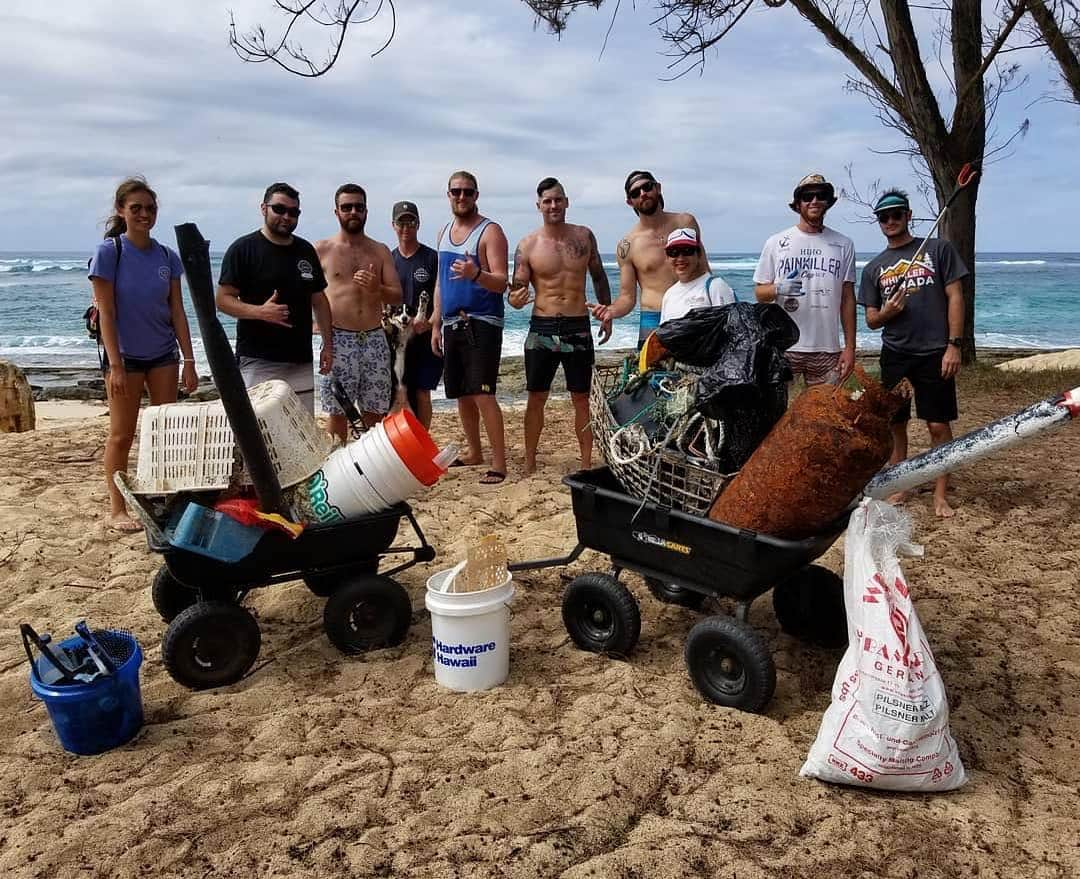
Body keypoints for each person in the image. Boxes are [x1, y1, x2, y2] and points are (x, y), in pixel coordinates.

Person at [89, 177, 198, 532]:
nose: (144, 215)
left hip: (163, 354)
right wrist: (116, 364)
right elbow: (105, 312)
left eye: (150, 209)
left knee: (165, 431)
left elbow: (178, 311)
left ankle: (164, 499)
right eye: (136, 208)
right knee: (122, 434)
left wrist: (190, 360)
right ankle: (117, 508)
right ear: (121, 210)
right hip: (125, 358)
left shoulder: (167, 256)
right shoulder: (110, 252)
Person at [859, 188, 968, 518]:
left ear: (908, 216)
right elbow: (872, 321)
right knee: (896, 424)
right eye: (883, 217)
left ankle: (940, 494)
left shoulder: (938, 250)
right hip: (896, 354)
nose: (890, 221)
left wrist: (954, 345)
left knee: (937, 425)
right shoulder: (874, 268)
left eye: (896, 214)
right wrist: (889, 312)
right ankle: (901, 484)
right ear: (879, 223)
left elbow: (955, 297)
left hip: (935, 352)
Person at [508, 177, 613, 474]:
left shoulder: (583, 237)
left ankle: (586, 461)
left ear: (566, 202)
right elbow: (516, 290)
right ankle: (529, 459)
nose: (553, 205)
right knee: (536, 396)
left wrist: (607, 312)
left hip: (577, 326)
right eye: (547, 201)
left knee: (581, 398)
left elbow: (599, 275)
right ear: (538, 205)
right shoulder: (528, 244)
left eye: (558, 199)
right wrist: (515, 300)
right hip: (541, 327)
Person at [216, 182, 333, 414]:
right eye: (279, 209)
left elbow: (319, 300)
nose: (286, 216)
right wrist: (259, 312)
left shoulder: (305, 250)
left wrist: (328, 346)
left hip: (300, 359)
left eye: (293, 212)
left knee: (300, 430)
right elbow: (222, 299)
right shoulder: (243, 249)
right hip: (257, 359)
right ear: (264, 208)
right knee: (259, 430)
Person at [431, 171, 510, 484]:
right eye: (455, 192)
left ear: (476, 195)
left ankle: (499, 463)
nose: (461, 197)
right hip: (452, 323)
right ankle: (475, 452)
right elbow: (440, 283)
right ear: (448, 194)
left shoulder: (491, 232)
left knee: (482, 393)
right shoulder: (444, 232)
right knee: (462, 394)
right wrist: (436, 322)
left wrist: (476, 274)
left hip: (482, 321)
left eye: (467, 192)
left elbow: (502, 281)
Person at [313, 184, 401, 440]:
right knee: (338, 410)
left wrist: (377, 288)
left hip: (374, 337)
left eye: (358, 207)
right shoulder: (321, 250)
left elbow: (397, 295)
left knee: (375, 410)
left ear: (366, 211)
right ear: (336, 211)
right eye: (347, 207)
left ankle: (367, 466)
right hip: (339, 339)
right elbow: (307, 295)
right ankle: (338, 465)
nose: (353, 212)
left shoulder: (380, 250)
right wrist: (315, 327)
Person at [753, 173, 856, 385]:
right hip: (785, 346)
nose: (814, 201)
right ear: (798, 204)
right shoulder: (776, 242)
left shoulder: (844, 244)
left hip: (827, 349)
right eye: (807, 197)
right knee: (779, 415)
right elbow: (759, 293)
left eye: (821, 195)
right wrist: (779, 288)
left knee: (824, 416)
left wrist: (850, 348)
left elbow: (847, 299)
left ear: (828, 202)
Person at [590, 170, 702, 348]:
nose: (642, 194)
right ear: (630, 201)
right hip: (653, 318)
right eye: (635, 193)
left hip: (692, 312)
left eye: (647, 187)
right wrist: (610, 311)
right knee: (651, 374)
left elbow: (703, 269)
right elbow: (627, 297)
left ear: (657, 188)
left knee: (698, 372)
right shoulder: (627, 245)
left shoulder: (685, 223)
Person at [390, 200, 442, 429]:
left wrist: (431, 323)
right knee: (396, 392)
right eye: (401, 223)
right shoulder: (389, 260)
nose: (406, 228)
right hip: (397, 341)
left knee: (422, 393)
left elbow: (442, 295)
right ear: (393, 225)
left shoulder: (432, 258)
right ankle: (400, 443)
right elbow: (382, 301)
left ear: (418, 224)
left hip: (423, 337)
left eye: (410, 222)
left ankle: (422, 440)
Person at [659, 227, 735, 324]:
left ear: (698, 254)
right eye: (673, 252)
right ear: (667, 257)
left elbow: (733, 328)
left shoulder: (716, 286)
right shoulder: (669, 295)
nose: (680, 258)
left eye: (687, 251)